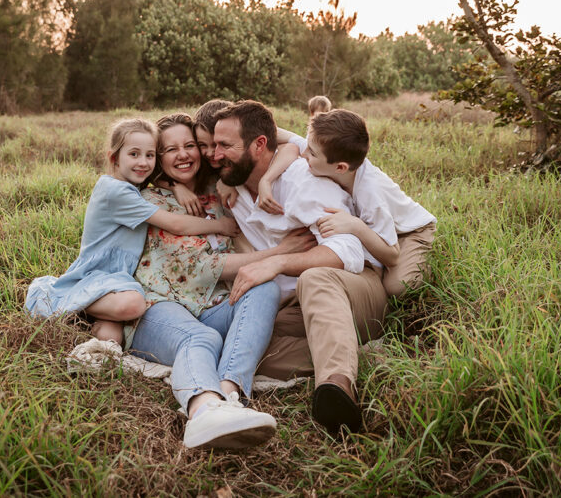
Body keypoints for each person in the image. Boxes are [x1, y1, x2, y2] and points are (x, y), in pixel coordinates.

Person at [127, 114, 316, 449]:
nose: (183, 154)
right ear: (158, 156)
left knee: (262, 287)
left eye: (190, 146)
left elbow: (291, 145)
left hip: (211, 306)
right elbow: (203, 268)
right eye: (170, 149)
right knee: (199, 338)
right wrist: (280, 253)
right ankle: (203, 411)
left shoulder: (218, 193)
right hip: (158, 308)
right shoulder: (150, 201)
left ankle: (230, 395)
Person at [211, 101, 374, 436]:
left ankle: (338, 386)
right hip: (297, 308)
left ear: (259, 145)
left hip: (352, 291)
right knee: (242, 343)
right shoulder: (235, 188)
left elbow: (348, 254)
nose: (214, 155)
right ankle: (363, 354)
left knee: (315, 278)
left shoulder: (303, 181)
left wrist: (278, 261)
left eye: (224, 146)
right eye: (213, 145)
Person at [24, 118, 237, 344]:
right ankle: (63, 301)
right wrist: (220, 225)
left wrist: (176, 185)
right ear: (114, 157)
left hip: (119, 278)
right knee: (134, 304)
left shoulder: (129, 185)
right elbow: (176, 224)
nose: (143, 162)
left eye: (150, 155)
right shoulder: (115, 192)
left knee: (111, 337)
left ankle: (85, 316)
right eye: (134, 154)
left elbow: (157, 174)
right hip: (98, 274)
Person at [306, 109, 436, 296]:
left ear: (340, 167)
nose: (304, 154)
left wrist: (355, 226)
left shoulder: (370, 194)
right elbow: (283, 135)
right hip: (381, 227)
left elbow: (392, 255)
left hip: (410, 232)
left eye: (311, 153)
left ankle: (422, 258)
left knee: (397, 287)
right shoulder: (329, 151)